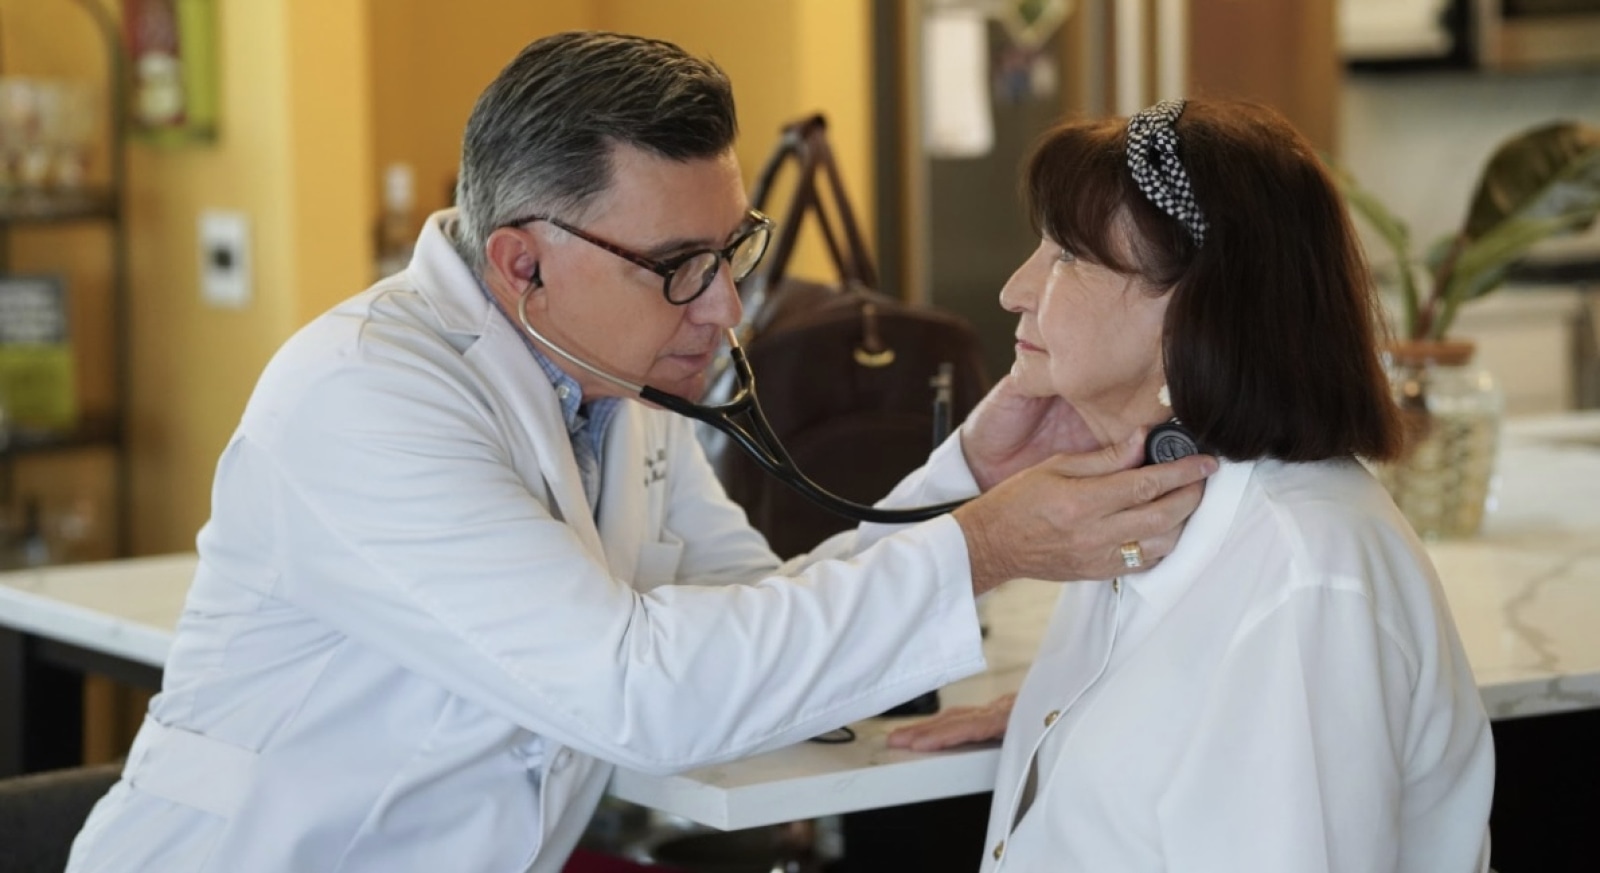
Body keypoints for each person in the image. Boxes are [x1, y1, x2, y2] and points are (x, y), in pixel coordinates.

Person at [65, 32, 1215, 873]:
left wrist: (969, 477)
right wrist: (979, 548)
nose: (720, 307)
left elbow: (750, 634)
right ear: (523, 265)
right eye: (677, 265)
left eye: (731, 251)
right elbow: (640, 693)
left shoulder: (605, 379)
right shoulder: (364, 397)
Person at [886, 99, 1494, 872]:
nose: (1015, 288)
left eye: (1067, 257)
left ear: (1193, 309)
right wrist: (1078, 718)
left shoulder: (1307, 576)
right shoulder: (1149, 496)